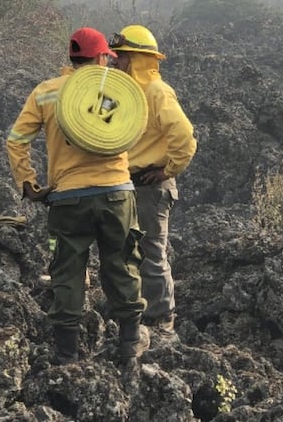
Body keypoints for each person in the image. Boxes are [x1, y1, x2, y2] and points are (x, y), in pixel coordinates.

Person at [6, 27, 149, 374]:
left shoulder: (46, 92)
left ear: (71, 58)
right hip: (117, 193)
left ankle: (67, 355)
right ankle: (130, 345)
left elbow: (16, 140)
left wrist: (28, 182)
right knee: (122, 265)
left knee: (67, 272)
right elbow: (135, 129)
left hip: (68, 199)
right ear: (101, 57)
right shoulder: (115, 88)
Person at [109, 24, 197, 341]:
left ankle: (162, 321)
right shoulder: (121, 94)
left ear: (137, 58)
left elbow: (184, 137)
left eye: (120, 56)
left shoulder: (157, 92)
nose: (114, 61)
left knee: (151, 254)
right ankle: (132, 314)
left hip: (150, 186)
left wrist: (168, 170)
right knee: (124, 253)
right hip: (123, 184)